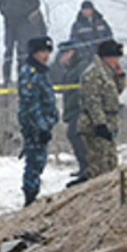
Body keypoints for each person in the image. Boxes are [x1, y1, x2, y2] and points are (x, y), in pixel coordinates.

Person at [18, 35, 58, 206]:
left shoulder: (42, 72)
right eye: (42, 51)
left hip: (43, 125)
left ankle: (32, 194)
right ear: (34, 53)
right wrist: (41, 127)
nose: (46, 55)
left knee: (39, 161)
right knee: (34, 162)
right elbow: (30, 104)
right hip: (34, 127)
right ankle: (30, 196)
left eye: (48, 51)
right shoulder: (30, 73)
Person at [78, 40, 127, 180]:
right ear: (106, 57)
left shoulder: (107, 72)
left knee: (111, 162)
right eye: (115, 58)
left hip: (109, 123)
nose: (117, 61)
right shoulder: (93, 73)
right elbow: (93, 101)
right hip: (96, 125)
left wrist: (120, 76)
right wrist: (100, 124)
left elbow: (115, 93)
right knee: (100, 165)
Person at [0, 0, 44, 87]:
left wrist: (23, 12)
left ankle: (22, 76)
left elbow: (35, 4)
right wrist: (7, 12)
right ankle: (6, 77)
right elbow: (0, 4)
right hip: (9, 24)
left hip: (23, 24)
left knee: (22, 51)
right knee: (8, 50)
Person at [50, 39, 90, 182]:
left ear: (71, 52)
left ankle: (87, 166)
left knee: (75, 135)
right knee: (74, 135)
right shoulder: (71, 67)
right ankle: (84, 166)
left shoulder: (81, 67)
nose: (62, 57)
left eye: (64, 53)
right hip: (73, 108)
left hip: (80, 108)